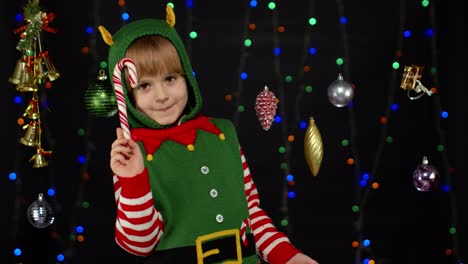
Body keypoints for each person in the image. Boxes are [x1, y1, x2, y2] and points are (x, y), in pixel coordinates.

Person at [101, 4, 319, 264]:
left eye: (171, 78)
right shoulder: (129, 154)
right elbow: (140, 245)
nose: (162, 96)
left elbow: (251, 214)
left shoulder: (223, 133)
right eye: (145, 85)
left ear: (186, 78)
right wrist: (134, 180)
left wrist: (288, 257)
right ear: (128, 95)